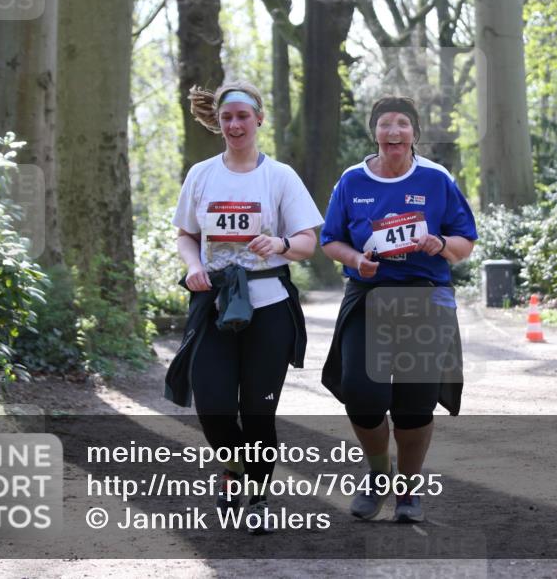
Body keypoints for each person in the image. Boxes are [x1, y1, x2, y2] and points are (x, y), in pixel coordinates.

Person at [167, 79, 323, 534]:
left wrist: (280, 242)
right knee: (213, 406)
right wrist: (194, 265)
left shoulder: (280, 176)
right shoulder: (201, 174)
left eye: (242, 116)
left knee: (258, 410)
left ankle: (255, 493)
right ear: (219, 123)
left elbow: (308, 242)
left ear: (259, 119)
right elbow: (185, 235)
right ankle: (233, 468)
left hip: (268, 305)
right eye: (227, 117)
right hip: (214, 302)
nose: (235, 124)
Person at [320, 96, 478, 523]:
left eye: (403, 124)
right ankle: (377, 473)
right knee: (362, 395)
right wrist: (356, 260)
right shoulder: (352, 181)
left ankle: (407, 490)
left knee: (414, 404)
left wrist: (441, 245)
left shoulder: (436, 178)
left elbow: (465, 244)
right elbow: (330, 239)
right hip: (369, 297)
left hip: (424, 298)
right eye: (385, 124)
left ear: (415, 133)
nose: (394, 132)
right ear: (374, 132)